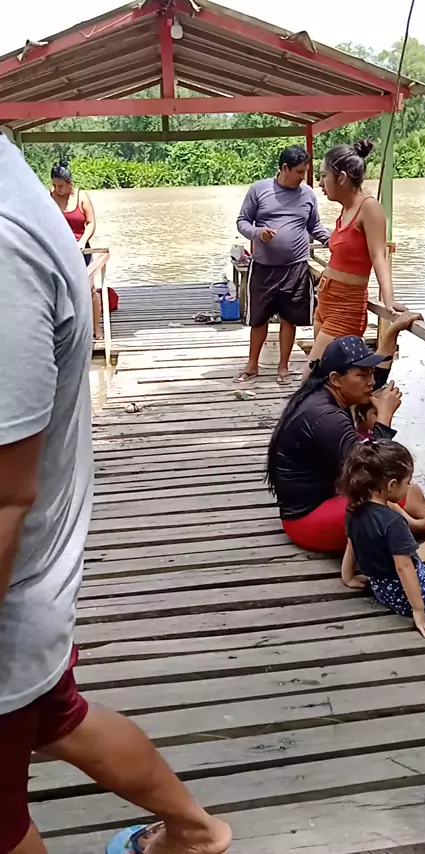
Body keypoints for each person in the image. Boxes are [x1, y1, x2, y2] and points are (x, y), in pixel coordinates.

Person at [0, 134, 231, 854]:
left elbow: (5, 499)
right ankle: (195, 831)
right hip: (31, 589)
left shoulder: (4, 246)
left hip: (12, 592)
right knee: (56, 718)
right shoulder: (19, 189)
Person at [266, 311, 425, 553]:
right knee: (384, 496)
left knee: (409, 492)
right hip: (308, 520)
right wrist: (384, 417)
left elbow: (376, 377)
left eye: (369, 373)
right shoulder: (326, 416)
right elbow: (373, 466)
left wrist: (392, 331)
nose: (370, 382)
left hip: (328, 501)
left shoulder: (325, 389)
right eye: (362, 375)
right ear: (336, 378)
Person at [340, 439, 425, 638]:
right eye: (407, 483)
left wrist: (348, 577)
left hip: (383, 588)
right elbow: (404, 567)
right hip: (412, 595)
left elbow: (351, 542)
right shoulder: (393, 522)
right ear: (392, 485)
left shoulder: (354, 508)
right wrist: (419, 612)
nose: (409, 488)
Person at [305, 138, 407, 374]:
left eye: (323, 176)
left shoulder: (369, 208)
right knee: (327, 379)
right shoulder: (346, 209)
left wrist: (389, 299)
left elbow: (379, 256)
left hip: (345, 307)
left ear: (341, 177)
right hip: (326, 301)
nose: (320, 183)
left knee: (311, 377)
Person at [235, 144, 330, 386]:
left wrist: (333, 241)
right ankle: (252, 365)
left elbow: (314, 226)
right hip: (263, 267)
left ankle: (283, 367)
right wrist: (257, 232)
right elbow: (242, 221)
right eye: (299, 172)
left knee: (289, 319)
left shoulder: (307, 194)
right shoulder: (259, 190)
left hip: (295, 268)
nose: (303, 177)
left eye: (305, 172)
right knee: (258, 320)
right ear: (284, 168)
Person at [50, 158, 102, 340]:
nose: (57, 189)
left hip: (81, 249)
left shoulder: (81, 197)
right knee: (59, 291)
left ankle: (96, 328)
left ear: (70, 183)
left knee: (89, 289)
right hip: (58, 251)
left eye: (61, 186)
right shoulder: (49, 197)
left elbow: (91, 223)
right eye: (54, 185)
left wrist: (83, 240)